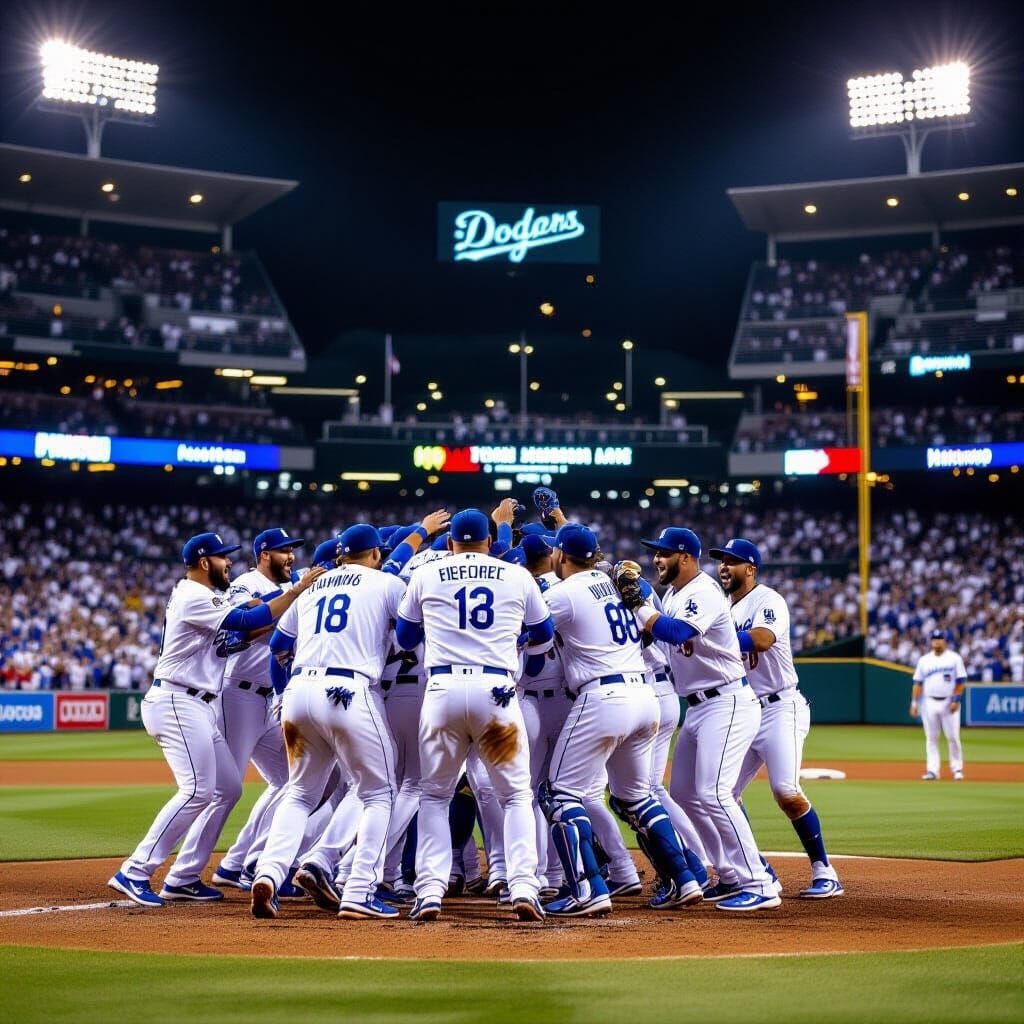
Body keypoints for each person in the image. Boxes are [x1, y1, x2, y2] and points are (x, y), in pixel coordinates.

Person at [108, 532, 324, 908]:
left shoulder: (206, 596)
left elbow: (244, 625)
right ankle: (135, 870)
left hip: (200, 702)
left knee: (228, 787)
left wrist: (283, 597)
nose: (229, 563)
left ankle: (184, 877)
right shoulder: (192, 595)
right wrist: (299, 589)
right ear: (205, 562)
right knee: (196, 790)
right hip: (178, 698)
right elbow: (249, 617)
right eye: (223, 558)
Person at [252, 514, 446, 919]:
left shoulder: (312, 586)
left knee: (300, 794)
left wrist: (283, 691)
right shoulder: (386, 582)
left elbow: (279, 645)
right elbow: (410, 634)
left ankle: (269, 872)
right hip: (348, 690)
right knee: (378, 792)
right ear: (375, 553)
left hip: (299, 692)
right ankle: (359, 889)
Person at [533, 522, 703, 917]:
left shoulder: (564, 593)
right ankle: (684, 877)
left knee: (559, 794)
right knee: (635, 795)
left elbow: (535, 634)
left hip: (603, 696)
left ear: (559, 554)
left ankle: (587, 888)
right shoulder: (617, 583)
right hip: (645, 696)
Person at [395, 508, 553, 923]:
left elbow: (405, 636)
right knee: (516, 795)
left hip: (442, 690)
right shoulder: (515, 575)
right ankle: (522, 885)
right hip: (497, 690)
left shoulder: (427, 575)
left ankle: (429, 890)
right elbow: (545, 632)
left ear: (451, 543)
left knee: (434, 795)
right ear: (488, 541)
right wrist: (512, 640)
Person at [625, 526, 780, 911]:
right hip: (697, 705)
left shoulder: (704, 592)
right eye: (655, 552)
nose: (657, 558)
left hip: (727, 701)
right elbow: (657, 638)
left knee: (714, 793)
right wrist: (641, 602)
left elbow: (676, 632)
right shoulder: (676, 593)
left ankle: (759, 882)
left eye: (664, 553)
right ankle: (728, 874)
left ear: (686, 557)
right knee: (685, 795)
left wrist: (642, 605)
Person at [713, 537, 843, 898]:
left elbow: (763, 638)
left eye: (732, 561)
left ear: (750, 568)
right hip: (743, 710)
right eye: (721, 561)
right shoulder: (721, 606)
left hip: (780, 706)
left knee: (786, 791)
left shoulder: (768, 600)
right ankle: (755, 870)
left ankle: (825, 871)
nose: (724, 567)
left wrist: (713, 640)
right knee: (721, 795)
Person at [211, 528, 306, 894]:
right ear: (265, 554)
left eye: (293, 550)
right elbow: (243, 623)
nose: (292, 557)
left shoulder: (291, 586)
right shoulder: (245, 583)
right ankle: (185, 873)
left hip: (268, 699)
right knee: (226, 788)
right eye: (285, 551)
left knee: (293, 781)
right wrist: (291, 601)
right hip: (237, 695)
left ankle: (237, 863)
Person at [911, 629, 967, 781]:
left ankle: (957, 769)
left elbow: (961, 681)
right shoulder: (924, 660)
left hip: (949, 701)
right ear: (931, 641)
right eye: (934, 639)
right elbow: (917, 683)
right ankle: (932, 770)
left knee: (953, 737)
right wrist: (914, 702)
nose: (937, 641)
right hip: (928, 702)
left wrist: (956, 699)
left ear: (945, 640)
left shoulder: (954, 658)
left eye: (940, 638)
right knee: (931, 738)